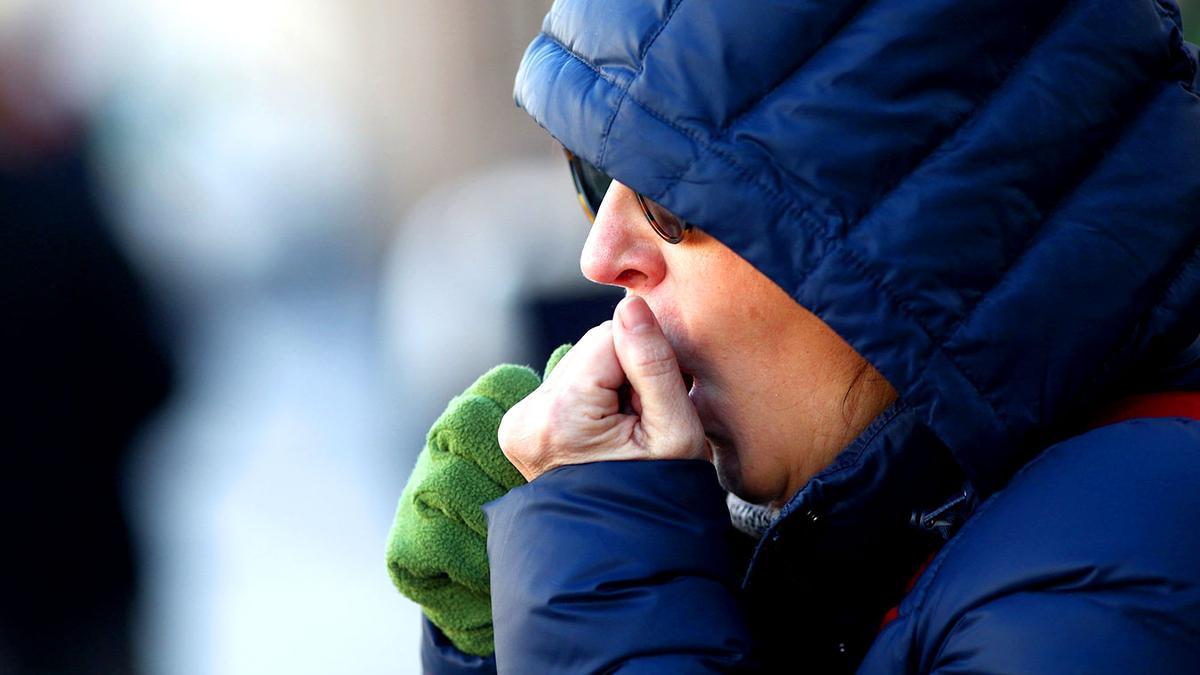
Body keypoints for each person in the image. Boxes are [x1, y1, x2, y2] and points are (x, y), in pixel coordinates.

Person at [409, 0, 1200, 672]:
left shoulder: (1106, 586)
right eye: (593, 174)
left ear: (917, 229)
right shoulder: (932, 528)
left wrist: (600, 569)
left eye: (671, 204)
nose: (599, 254)